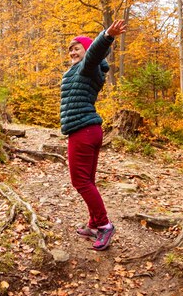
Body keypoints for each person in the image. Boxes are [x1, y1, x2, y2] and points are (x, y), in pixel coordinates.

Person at [60, 19, 127, 251]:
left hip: (83, 131)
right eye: (70, 48)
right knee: (87, 180)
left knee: (79, 181)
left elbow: (96, 52)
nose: (72, 51)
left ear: (87, 50)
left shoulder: (87, 66)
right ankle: (93, 224)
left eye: (76, 47)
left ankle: (104, 225)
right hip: (89, 130)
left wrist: (107, 35)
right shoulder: (77, 71)